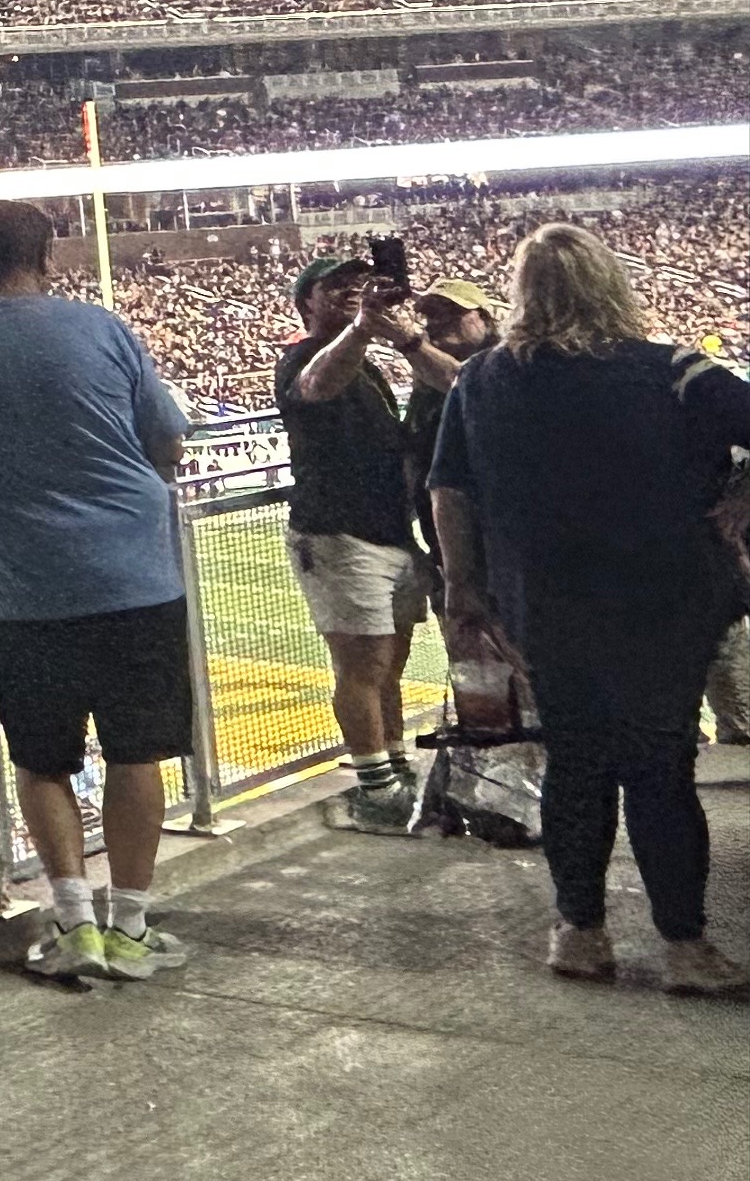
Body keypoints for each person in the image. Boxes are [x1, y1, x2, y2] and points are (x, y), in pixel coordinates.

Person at [425, 223, 750, 994]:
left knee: (576, 762)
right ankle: (684, 946)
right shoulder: (673, 371)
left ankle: (580, 932)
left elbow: (449, 488)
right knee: (660, 765)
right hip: (663, 601)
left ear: (520, 294)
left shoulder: (481, 380)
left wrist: (465, 587)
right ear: (611, 284)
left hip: (543, 604)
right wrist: (741, 497)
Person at [0, 200, 194, 987]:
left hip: (24, 584)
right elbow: (168, 439)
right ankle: (131, 927)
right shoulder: (101, 326)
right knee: (137, 754)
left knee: (42, 759)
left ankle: (75, 924)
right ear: (50, 256)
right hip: (135, 571)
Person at [276, 254, 459, 821]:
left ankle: (395, 768)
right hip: (339, 534)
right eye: (336, 285)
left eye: (358, 282)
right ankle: (376, 787)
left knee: (389, 665)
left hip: (390, 534)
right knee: (363, 665)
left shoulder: (370, 366)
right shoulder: (301, 356)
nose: (353, 290)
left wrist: (399, 336)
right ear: (306, 303)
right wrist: (361, 328)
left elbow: (454, 383)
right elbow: (317, 385)